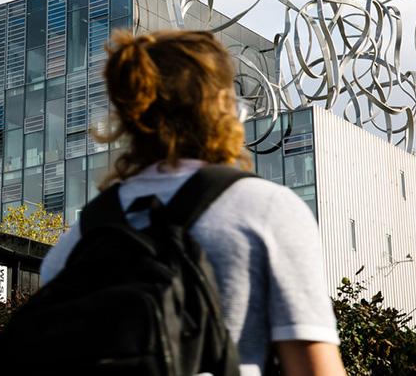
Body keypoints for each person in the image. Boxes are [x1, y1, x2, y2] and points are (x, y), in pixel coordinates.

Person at [40, 29, 346, 376]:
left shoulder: (78, 240)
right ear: (222, 108)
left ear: (129, 121)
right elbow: (314, 368)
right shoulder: (268, 211)